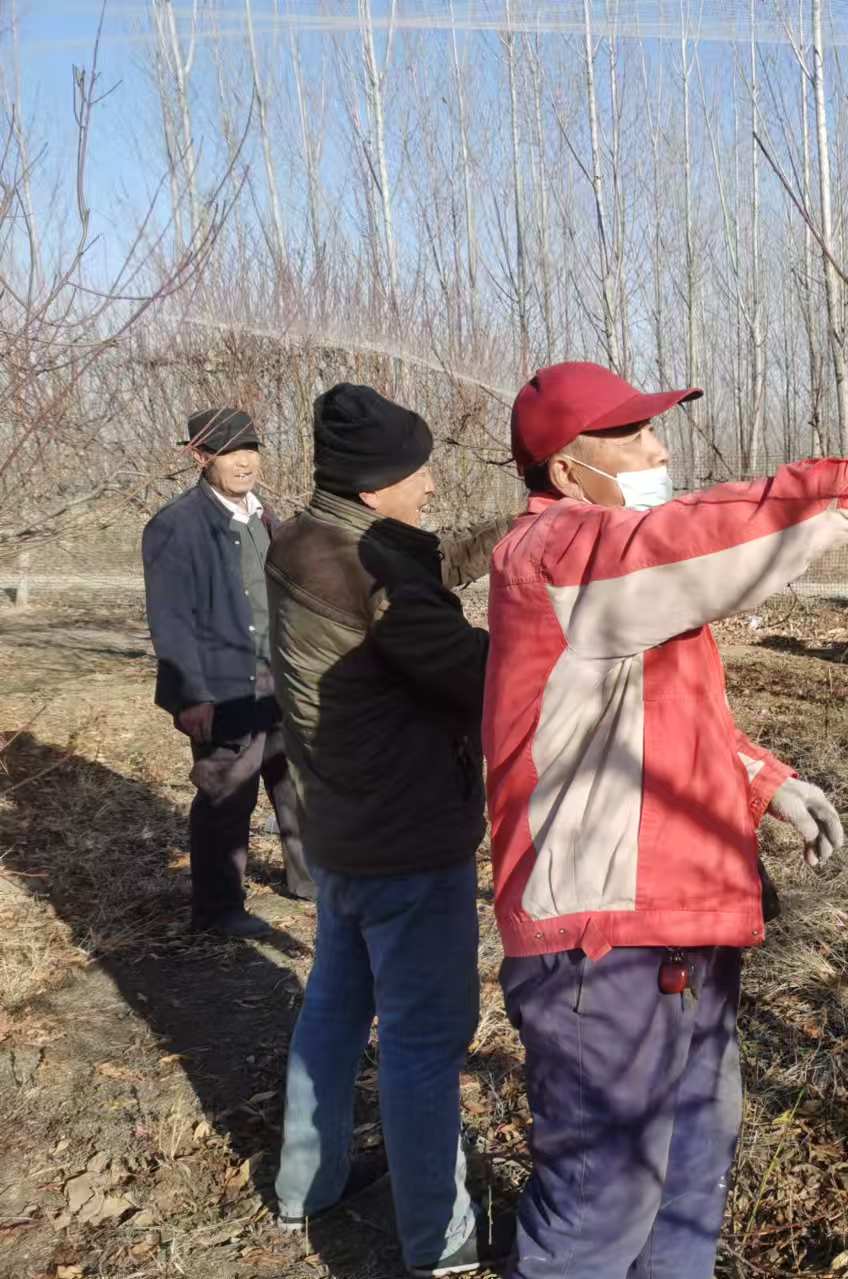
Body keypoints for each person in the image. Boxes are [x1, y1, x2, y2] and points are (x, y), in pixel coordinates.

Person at [484, 362, 848, 1279]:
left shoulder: (621, 586)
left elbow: (664, 718)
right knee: (600, 1207)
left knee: (691, 1174)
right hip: (603, 944)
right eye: (631, 436)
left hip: (679, 925)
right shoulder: (560, 555)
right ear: (566, 470)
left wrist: (764, 783)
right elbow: (709, 536)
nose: (659, 449)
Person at [266, 384, 511, 1277]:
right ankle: (439, 1239)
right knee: (422, 1039)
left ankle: (307, 1184)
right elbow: (484, 674)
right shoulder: (373, 581)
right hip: (405, 842)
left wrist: (514, 533)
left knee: (334, 1008)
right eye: (419, 471)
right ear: (375, 487)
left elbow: (422, 559)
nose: (432, 484)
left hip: (340, 831)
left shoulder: (304, 540)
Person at [142, 408, 314, 937]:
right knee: (226, 796)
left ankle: (309, 881)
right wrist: (191, 694)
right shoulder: (176, 526)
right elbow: (170, 619)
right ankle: (218, 911)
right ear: (200, 456)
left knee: (297, 783)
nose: (244, 462)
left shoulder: (265, 518)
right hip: (223, 686)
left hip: (281, 677)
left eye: (251, 450)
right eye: (229, 452)